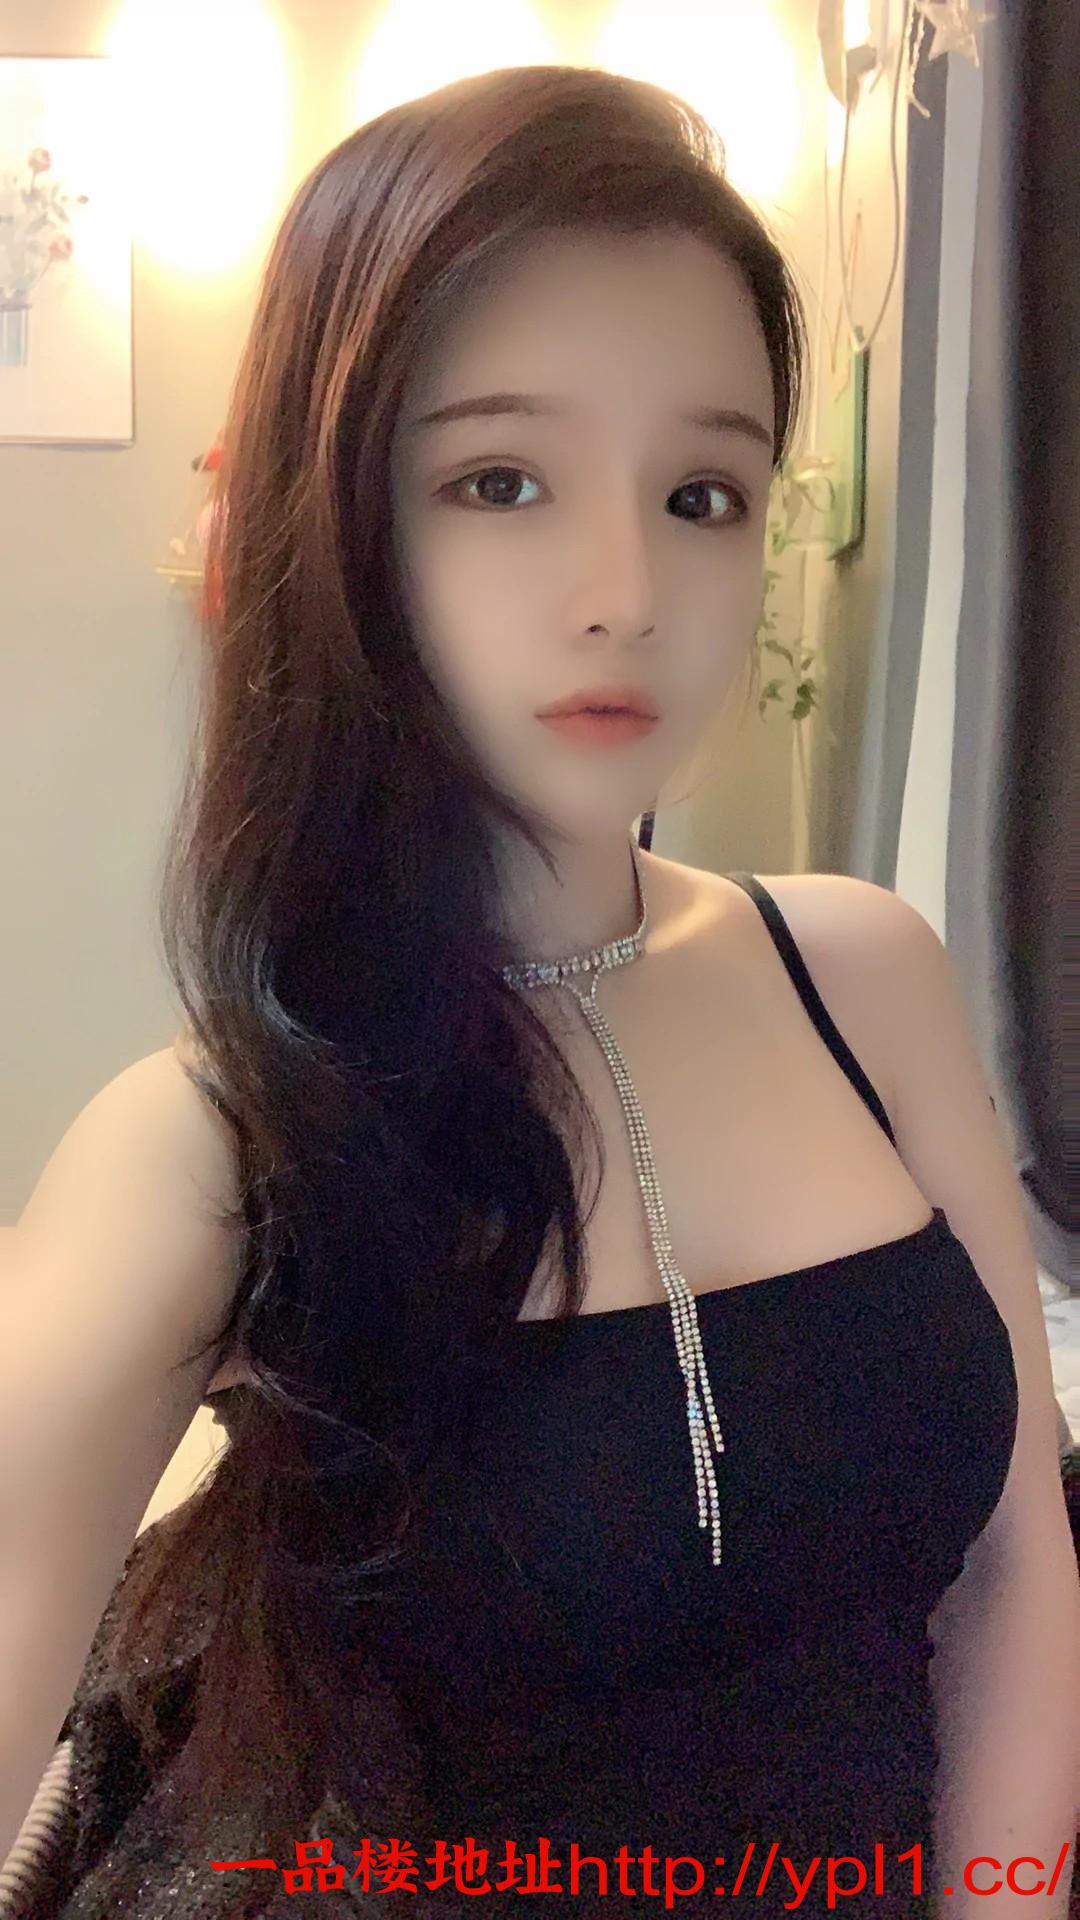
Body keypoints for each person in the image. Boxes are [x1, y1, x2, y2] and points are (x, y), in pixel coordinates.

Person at [2, 62, 1074, 1920]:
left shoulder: (861, 973)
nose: (626, 589)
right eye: (499, 481)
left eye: (702, 491)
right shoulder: (214, 1144)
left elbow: (1013, 1565)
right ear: (339, 520)